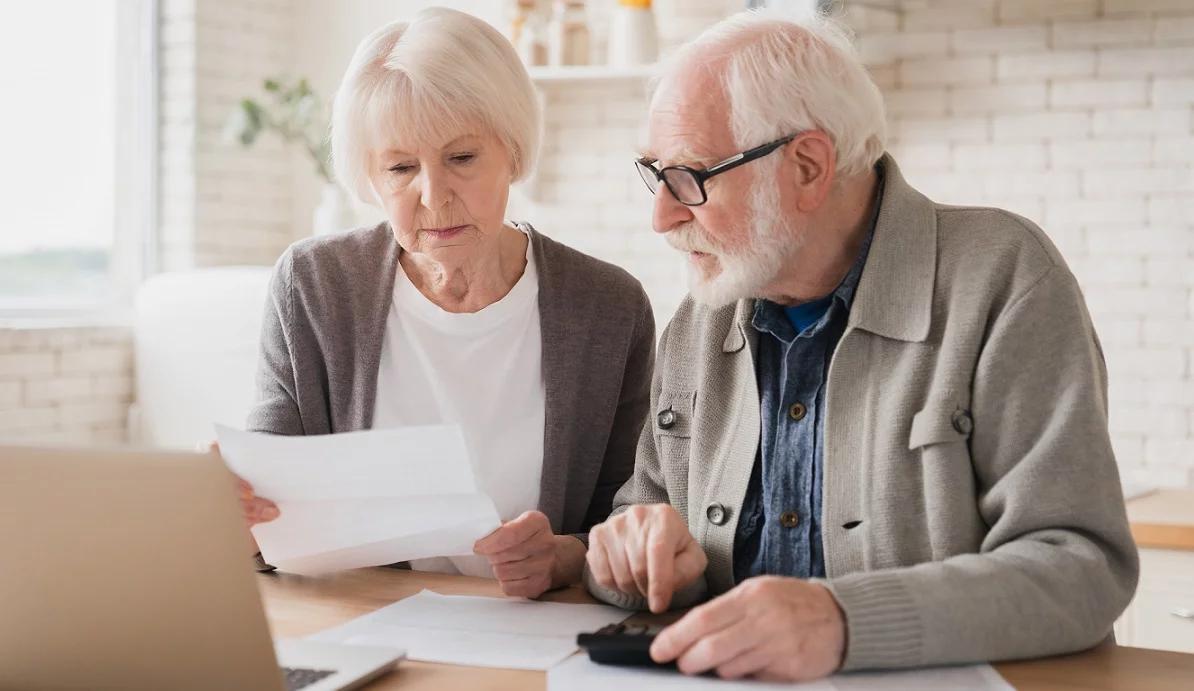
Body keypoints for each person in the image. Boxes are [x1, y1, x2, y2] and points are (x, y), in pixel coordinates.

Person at [584, 8, 1139, 681]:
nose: (662, 216)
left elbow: (1081, 567)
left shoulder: (1004, 278)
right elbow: (639, 519)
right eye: (656, 174)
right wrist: (631, 556)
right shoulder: (700, 319)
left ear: (809, 166)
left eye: (690, 178)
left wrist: (843, 620)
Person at [234, 7, 655, 599]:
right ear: (370, 177)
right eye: (401, 168)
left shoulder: (609, 307)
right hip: (360, 623)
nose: (434, 196)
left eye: (461, 158)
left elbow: (635, 515)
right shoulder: (313, 286)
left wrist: (564, 557)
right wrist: (237, 512)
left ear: (511, 149)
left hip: (534, 629)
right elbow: (267, 513)